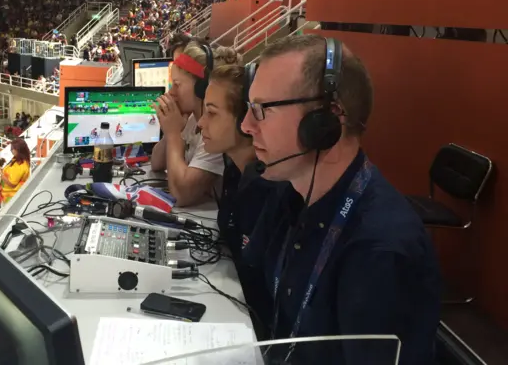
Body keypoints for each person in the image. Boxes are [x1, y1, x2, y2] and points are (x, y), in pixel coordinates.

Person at [241, 35, 441, 364]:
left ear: (327, 121)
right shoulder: (289, 194)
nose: (246, 125)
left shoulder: (379, 250)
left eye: (262, 110)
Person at [197, 63, 296, 339]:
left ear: (244, 120)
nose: (201, 123)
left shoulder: (268, 188)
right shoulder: (235, 169)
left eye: (212, 114)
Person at [151, 40, 239, 207]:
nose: (171, 92)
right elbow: (156, 163)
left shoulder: (217, 130)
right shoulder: (193, 117)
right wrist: (170, 128)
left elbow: (182, 196)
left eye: (177, 84)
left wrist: (173, 134)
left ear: (202, 88)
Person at [0, 138, 31, 204]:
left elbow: (12, 184)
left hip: (11, 198)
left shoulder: (21, 166)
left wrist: (0, 173)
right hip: (8, 196)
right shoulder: (17, 160)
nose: (11, 150)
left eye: (13, 148)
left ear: (19, 149)